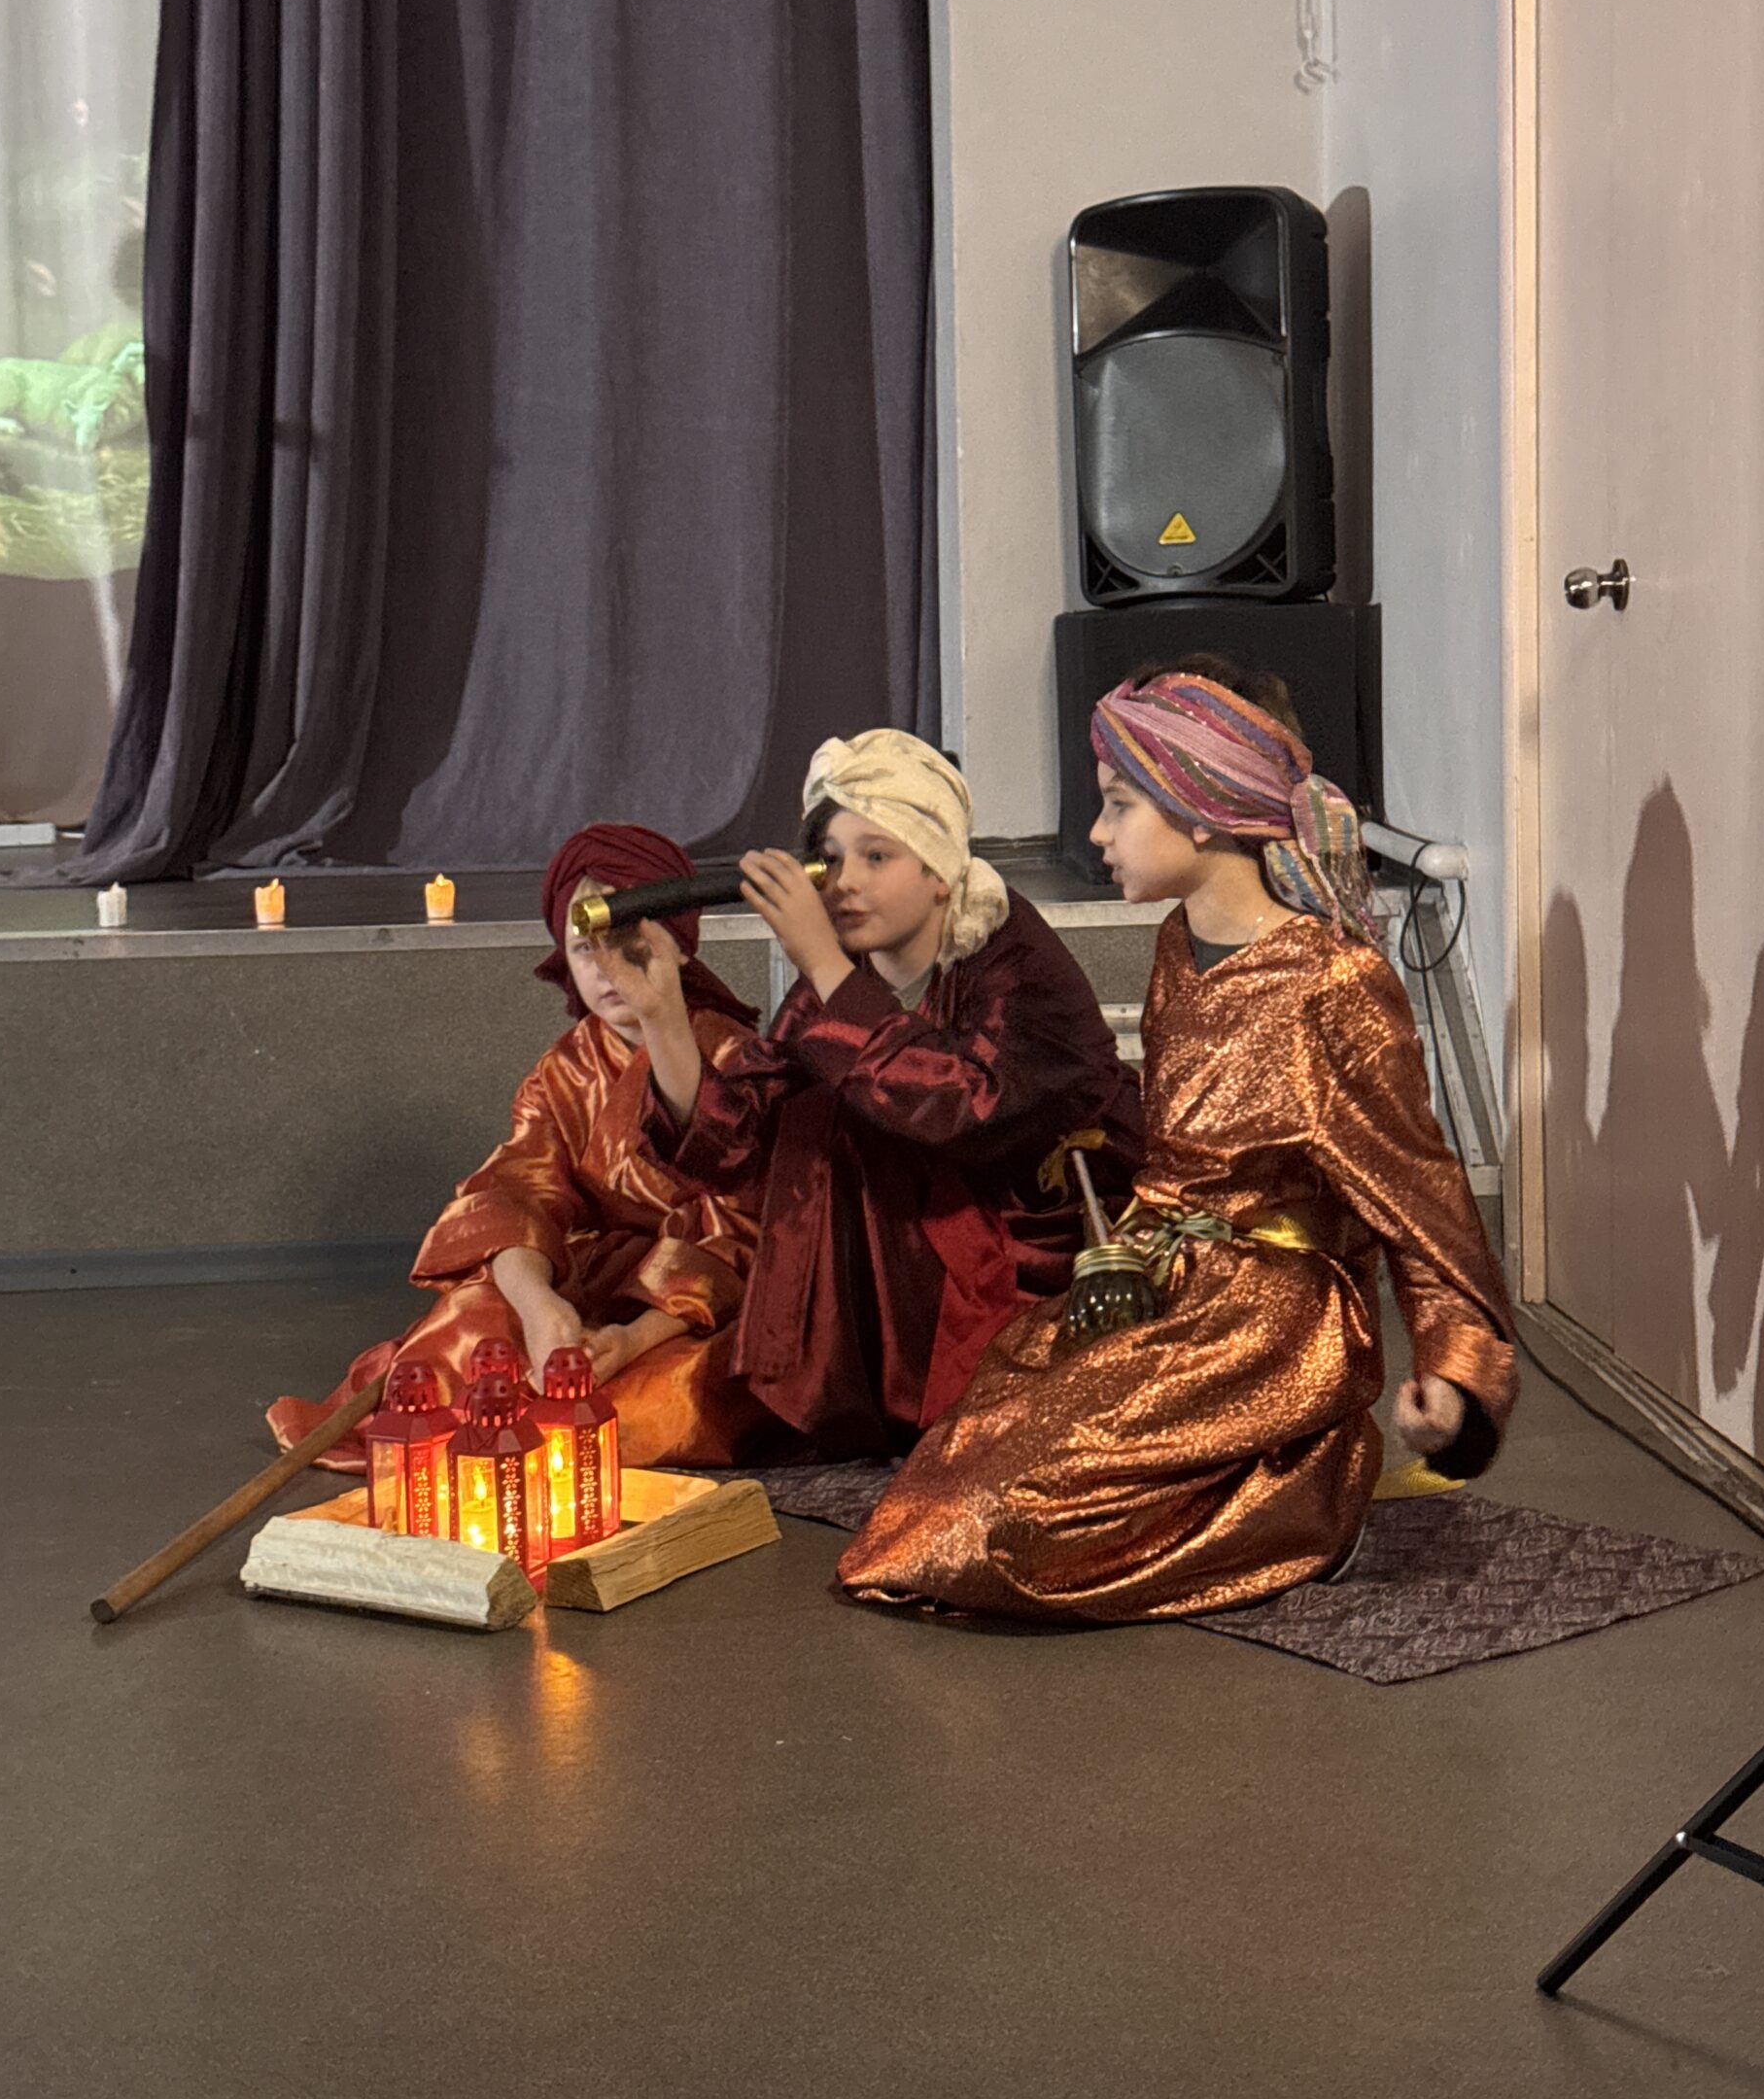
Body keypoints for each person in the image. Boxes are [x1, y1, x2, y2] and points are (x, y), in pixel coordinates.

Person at [835, 662, 1518, 1620]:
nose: (1097, 833)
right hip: (1159, 1279)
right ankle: (1236, 1489)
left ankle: (1305, 1495)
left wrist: (1457, 1373)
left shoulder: (1331, 983)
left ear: (1204, 811)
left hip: (1269, 1322)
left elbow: (1419, 1195)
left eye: (1118, 804)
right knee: (955, 1464)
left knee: (998, 1521)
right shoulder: (1173, 946)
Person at [603, 730, 1148, 1458]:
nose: (845, 882)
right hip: (931, 1250)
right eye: (830, 859)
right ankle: (865, 1396)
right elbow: (741, 1144)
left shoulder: (1014, 957)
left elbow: (963, 1111)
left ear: (940, 872)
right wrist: (661, 1012)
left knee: (850, 1109)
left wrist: (823, 964)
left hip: (1043, 1242)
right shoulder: (846, 976)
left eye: (877, 856)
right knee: (814, 1114)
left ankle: (924, 1398)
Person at [265, 824, 775, 1472]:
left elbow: (746, 1228)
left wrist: (633, 1337)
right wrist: (540, 1309)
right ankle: (504, 1415)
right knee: (468, 1324)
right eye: (585, 948)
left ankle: (535, 1421)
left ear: (679, 947)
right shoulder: (562, 1072)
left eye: (630, 945)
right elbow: (513, 1194)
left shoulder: (734, 1059)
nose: (608, 969)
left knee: (665, 1399)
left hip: (703, 1301)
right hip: (595, 1284)